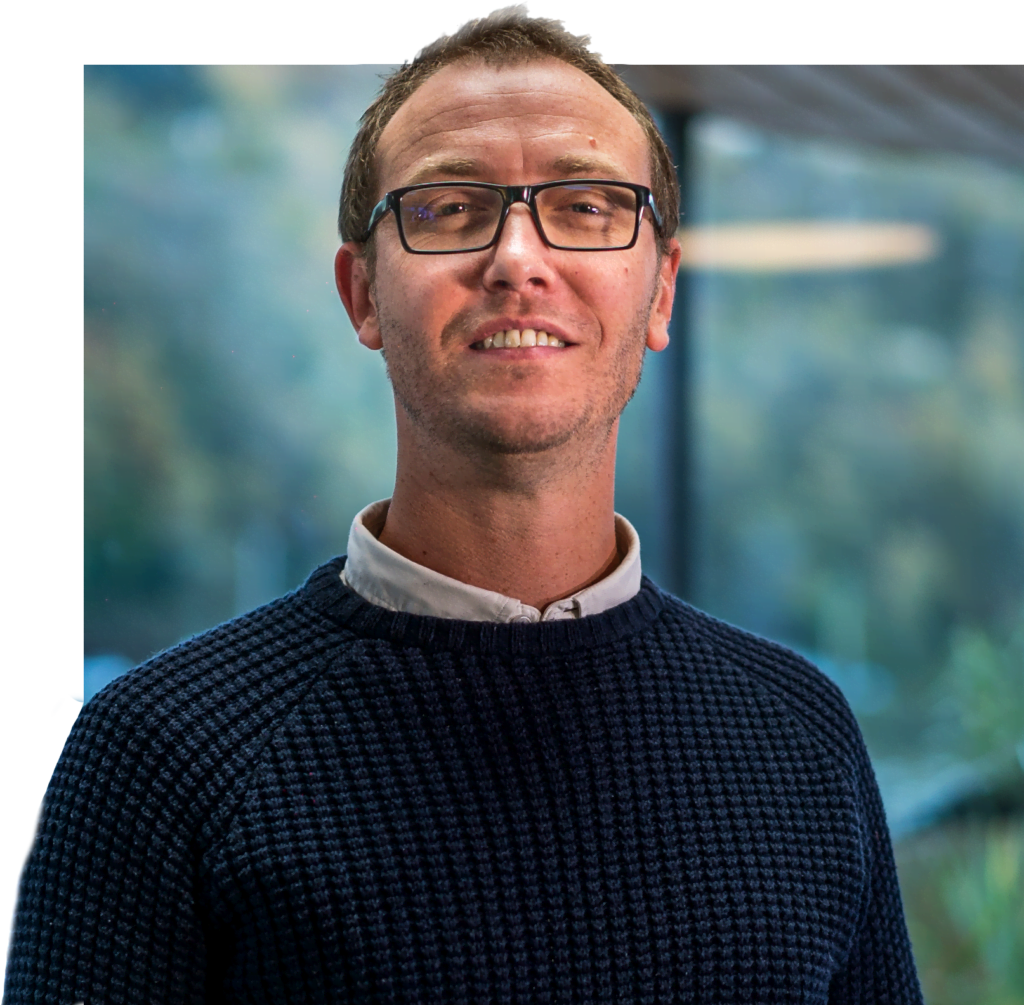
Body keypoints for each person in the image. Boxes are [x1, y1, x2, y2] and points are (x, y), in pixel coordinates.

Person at [9, 13, 924, 1003]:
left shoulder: (799, 734)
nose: (517, 258)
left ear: (661, 291)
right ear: (363, 294)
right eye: (448, 208)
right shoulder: (158, 757)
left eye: (585, 205)